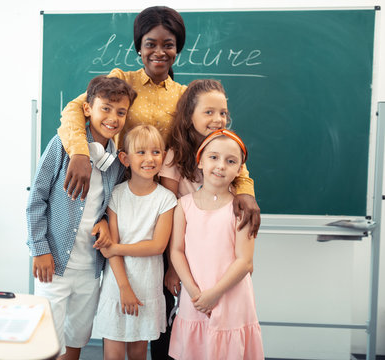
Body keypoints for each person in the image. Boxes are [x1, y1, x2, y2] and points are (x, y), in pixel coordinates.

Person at [58, 6, 259, 358]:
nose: (159, 52)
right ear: (139, 47)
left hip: (167, 204)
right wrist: (78, 152)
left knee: (165, 305)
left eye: (169, 45)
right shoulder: (123, 80)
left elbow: (220, 145)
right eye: (150, 44)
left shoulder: (185, 97)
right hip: (118, 198)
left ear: (178, 49)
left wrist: (244, 187)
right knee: (115, 293)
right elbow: (77, 110)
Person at [26, 76, 137, 360]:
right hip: (54, 265)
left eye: (121, 112)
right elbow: (36, 200)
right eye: (106, 108)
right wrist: (39, 250)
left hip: (90, 269)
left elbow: (107, 205)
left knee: (77, 338)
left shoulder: (115, 162)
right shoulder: (61, 146)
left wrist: (102, 222)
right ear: (87, 109)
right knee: (46, 340)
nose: (113, 118)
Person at [169, 129, 264, 359]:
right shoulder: (183, 205)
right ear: (199, 161)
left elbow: (245, 261)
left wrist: (214, 294)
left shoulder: (242, 210)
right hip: (196, 297)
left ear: (239, 169)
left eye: (230, 161)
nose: (221, 165)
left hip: (230, 298)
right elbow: (177, 251)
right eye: (213, 157)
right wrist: (194, 291)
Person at [95, 125, 177, 360]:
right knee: (113, 353)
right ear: (125, 158)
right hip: (117, 284)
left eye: (156, 152)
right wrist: (124, 288)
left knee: (139, 352)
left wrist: (115, 248)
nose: (149, 158)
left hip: (147, 286)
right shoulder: (116, 195)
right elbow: (110, 247)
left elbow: (157, 246)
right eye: (140, 152)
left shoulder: (166, 199)